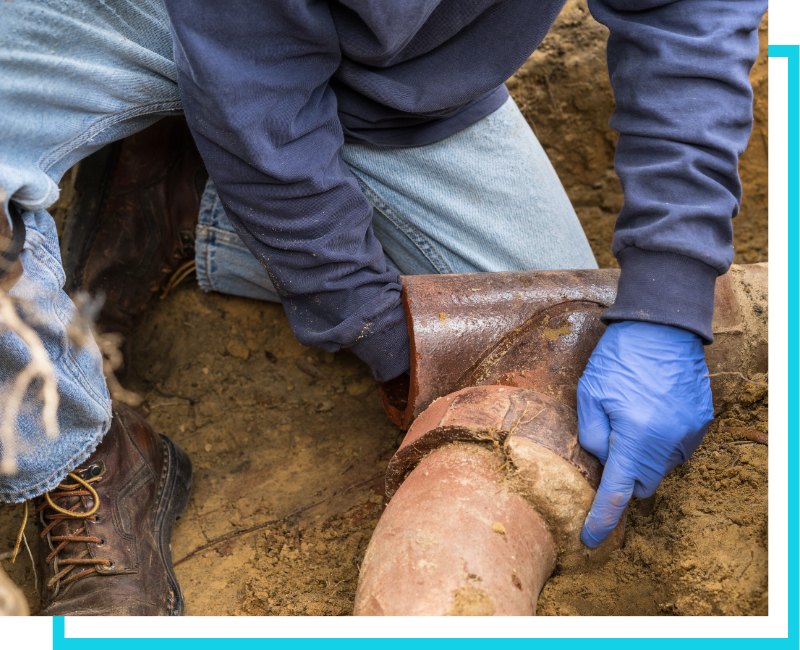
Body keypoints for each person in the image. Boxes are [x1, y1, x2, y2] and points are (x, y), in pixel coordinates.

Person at [0, 0, 767, 616]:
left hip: (387, 73)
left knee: (547, 347)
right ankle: (75, 451)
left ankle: (189, 199)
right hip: (107, 14)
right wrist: (386, 339)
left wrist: (670, 298)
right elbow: (256, 104)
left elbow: (691, 14)